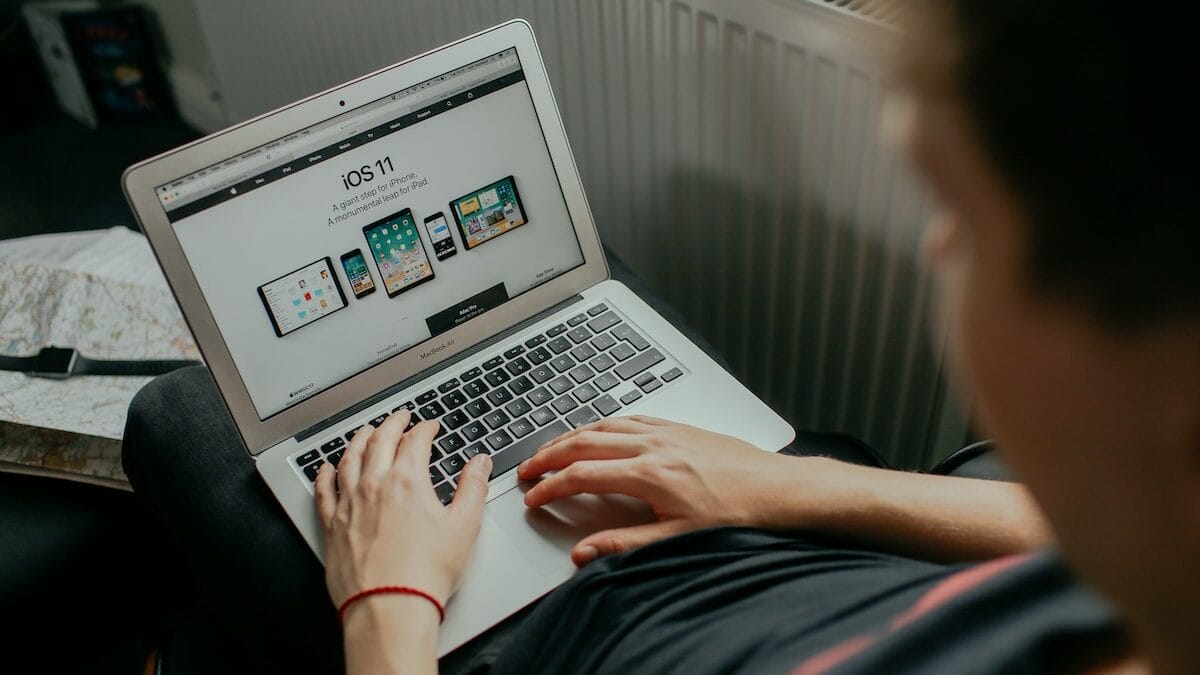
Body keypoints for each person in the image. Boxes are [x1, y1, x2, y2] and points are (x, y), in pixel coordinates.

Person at [123, 1, 1198, 673]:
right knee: (572, 302)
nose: (937, 247)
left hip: (541, 635)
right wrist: (802, 491)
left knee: (177, 415)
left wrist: (387, 603)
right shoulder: (1155, 553)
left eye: (957, 205)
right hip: (785, 539)